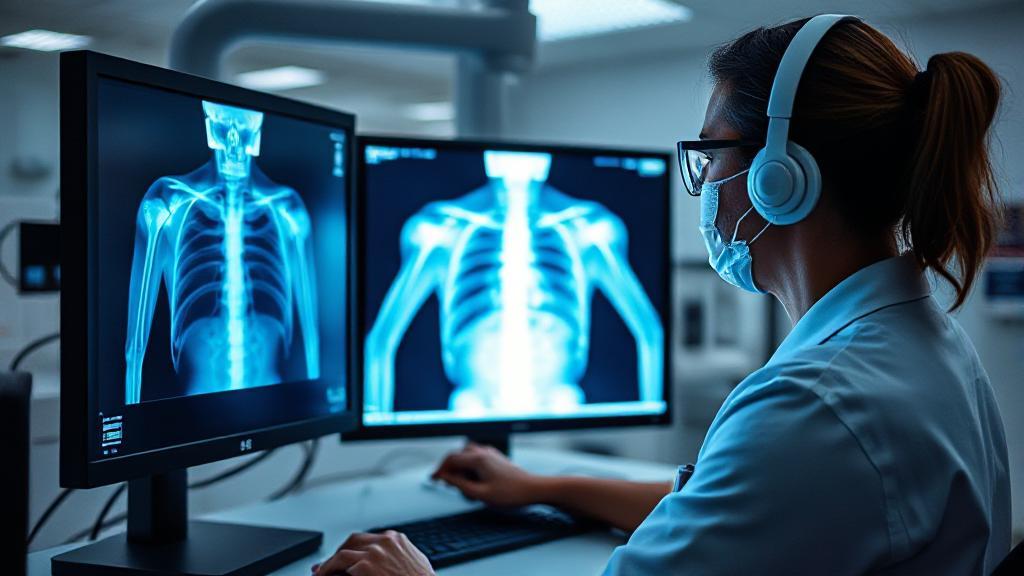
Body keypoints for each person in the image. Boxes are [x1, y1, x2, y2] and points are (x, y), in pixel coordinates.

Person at [314, 14, 1011, 576]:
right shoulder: (925, 344)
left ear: (781, 174)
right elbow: (727, 502)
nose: (704, 182)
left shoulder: (817, 405)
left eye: (710, 153)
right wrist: (545, 486)